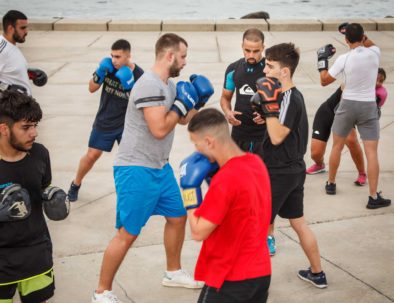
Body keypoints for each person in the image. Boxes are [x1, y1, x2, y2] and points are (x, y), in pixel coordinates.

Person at [91, 33, 214, 303]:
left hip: (159, 167)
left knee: (178, 216)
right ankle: (101, 292)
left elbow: (181, 120)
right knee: (128, 234)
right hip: (136, 169)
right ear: (169, 56)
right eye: (182, 57)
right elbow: (159, 128)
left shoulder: (167, 85)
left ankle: (172, 272)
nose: (185, 62)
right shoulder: (148, 85)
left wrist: (197, 104)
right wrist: (182, 104)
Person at [251, 43, 328, 288]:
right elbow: (283, 128)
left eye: (270, 66)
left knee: (256, 228)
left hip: (278, 173)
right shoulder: (289, 97)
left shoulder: (287, 98)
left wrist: (269, 113)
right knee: (298, 222)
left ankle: (252, 285)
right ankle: (318, 273)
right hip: (293, 170)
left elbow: (276, 137)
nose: (265, 70)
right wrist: (266, 116)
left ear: (285, 72)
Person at [182, 108, 272, 303]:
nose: (196, 150)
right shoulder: (256, 162)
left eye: (196, 143)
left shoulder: (225, 180)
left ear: (209, 141)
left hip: (229, 279)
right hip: (260, 274)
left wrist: (189, 191)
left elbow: (198, 232)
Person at [0, 90, 68, 303]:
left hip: (36, 252)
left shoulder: (40, 154)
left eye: (35, 125)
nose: (34, 133)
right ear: (4, 129)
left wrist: (53, 199)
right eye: (26, 127)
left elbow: (43, 188)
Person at [318, 23, 391, 209]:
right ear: (363, 36)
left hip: (348, 103)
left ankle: (331, 183)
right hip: (368, 106)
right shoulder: (375, 52)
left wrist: (322, 60)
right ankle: (373, 197)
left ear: (346, 40)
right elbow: (368, 42)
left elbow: (324, 81)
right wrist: (357, 35)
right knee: (372, 153)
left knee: (337, 146)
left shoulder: (344, 58)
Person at [219, 28, 277, 255]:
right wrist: (227, 112)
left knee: (265, 187)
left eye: (255, 50)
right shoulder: (234, 69)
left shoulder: (270, 70)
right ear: (242, 46)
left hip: (264, 136)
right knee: (238, 185)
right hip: (239, 135)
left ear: (263, 48)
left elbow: (280, 102)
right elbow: (225, 97)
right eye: (247, 50)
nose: (251, 55)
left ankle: (269, 235)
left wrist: (267, 116)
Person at [67, 39, 143, 202]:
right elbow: (91, 88)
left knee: (132, 161)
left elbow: (141, 105)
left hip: (127, 125)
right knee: (92, 155)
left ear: (128, 55)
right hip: (105, 120)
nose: (114, 60)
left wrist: (130, 87)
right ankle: (76, 183)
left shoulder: (139, 75)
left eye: (118, 56)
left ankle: (132, 193)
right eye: (112, 56)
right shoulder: (107, 67)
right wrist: (100, 73)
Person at [307, 67, 388, 186]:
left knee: (351, 140)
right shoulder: (353, 82)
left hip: (346, 116)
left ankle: (362, 173)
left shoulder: (378, 94)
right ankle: (319, 165)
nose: (378, 83)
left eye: (381, 81)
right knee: (315, 153)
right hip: (328, 111)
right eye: (376, 79)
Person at [0, 10, 47, 96]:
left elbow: (8, 71)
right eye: (22, 28)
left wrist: (29, 73)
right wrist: (7, 88)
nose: (26, 31)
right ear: (10, 28)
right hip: (10, 107)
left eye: (26, 27)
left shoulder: (12, 45)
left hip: (24, 105)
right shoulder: (1, 47)